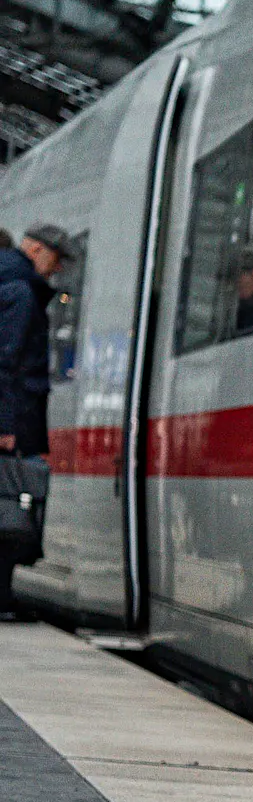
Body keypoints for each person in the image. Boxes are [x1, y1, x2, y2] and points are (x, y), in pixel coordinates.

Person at [0, 223, 73, 619]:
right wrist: (4, 425)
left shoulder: (9, 281)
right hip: (14, 416)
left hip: (13, 411)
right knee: (9, 506)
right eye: (55, 259)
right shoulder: (21, 291)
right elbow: (5, 360)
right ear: (35, 249)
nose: (55, 270)